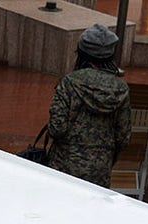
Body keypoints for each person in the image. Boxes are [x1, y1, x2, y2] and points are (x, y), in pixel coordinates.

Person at [46, 24, 132, 188]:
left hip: (63, 166)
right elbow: (123, 138)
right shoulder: (121, 89)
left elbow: (56, 128)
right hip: (100, 170)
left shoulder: (70, 82)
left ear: (82, 52)